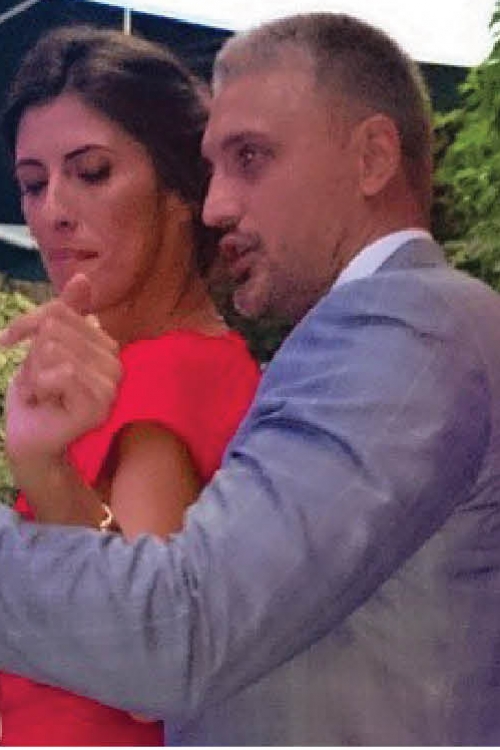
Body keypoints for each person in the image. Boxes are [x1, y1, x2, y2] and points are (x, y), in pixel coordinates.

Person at [1, 10, 500, 745]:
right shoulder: (368, 335)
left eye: (250, 158)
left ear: (372, 158)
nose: (218, 204)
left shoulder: (410, 323)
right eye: (32, 183)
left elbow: (181, 631)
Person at [0, 26, 259, 746]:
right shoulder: (191, 361)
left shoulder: (164, 374)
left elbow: (144, 663)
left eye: (91, 172)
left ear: (180, 189)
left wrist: (43, 468)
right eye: (32, 183)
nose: (53, 210)